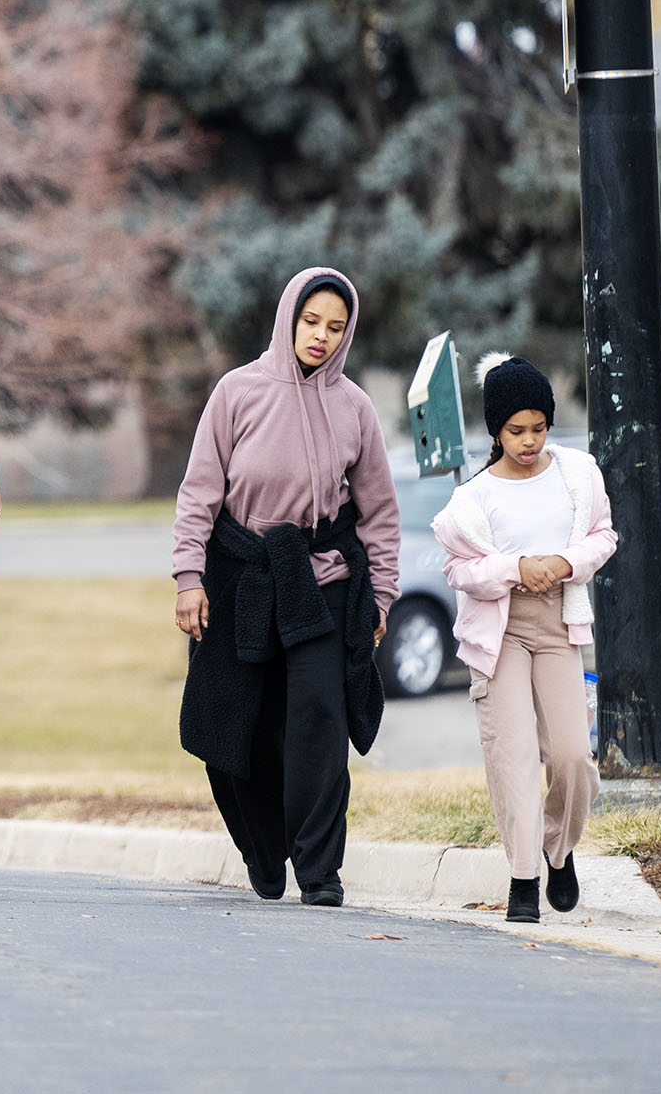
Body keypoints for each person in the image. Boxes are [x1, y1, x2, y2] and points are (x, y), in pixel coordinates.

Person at [172, 267, 399, 907]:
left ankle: (320, 870)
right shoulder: (236, 392)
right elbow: (198, 494)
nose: (321, 337)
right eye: (311, 322)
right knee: (237, 728)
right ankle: (265, 851)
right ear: (288, 319)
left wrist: (381, 594)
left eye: (335, 326)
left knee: (318, 722)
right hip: (240, 577)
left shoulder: (355, 407)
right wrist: (189, 579)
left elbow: (379, 511)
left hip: (323, 580)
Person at [435, 354, 611, 923]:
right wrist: (516, 568)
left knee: (572, 756)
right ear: (496, 430)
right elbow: (458, 570)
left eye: (539, 428)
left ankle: (558, 850)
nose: (530, 440)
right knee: (511, 757)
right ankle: (523, 880)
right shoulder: (473, 498)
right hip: (500, 635)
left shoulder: (578, 475)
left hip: (560, 625)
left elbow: (604, 536)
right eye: (516, 430)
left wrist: (560, 563)